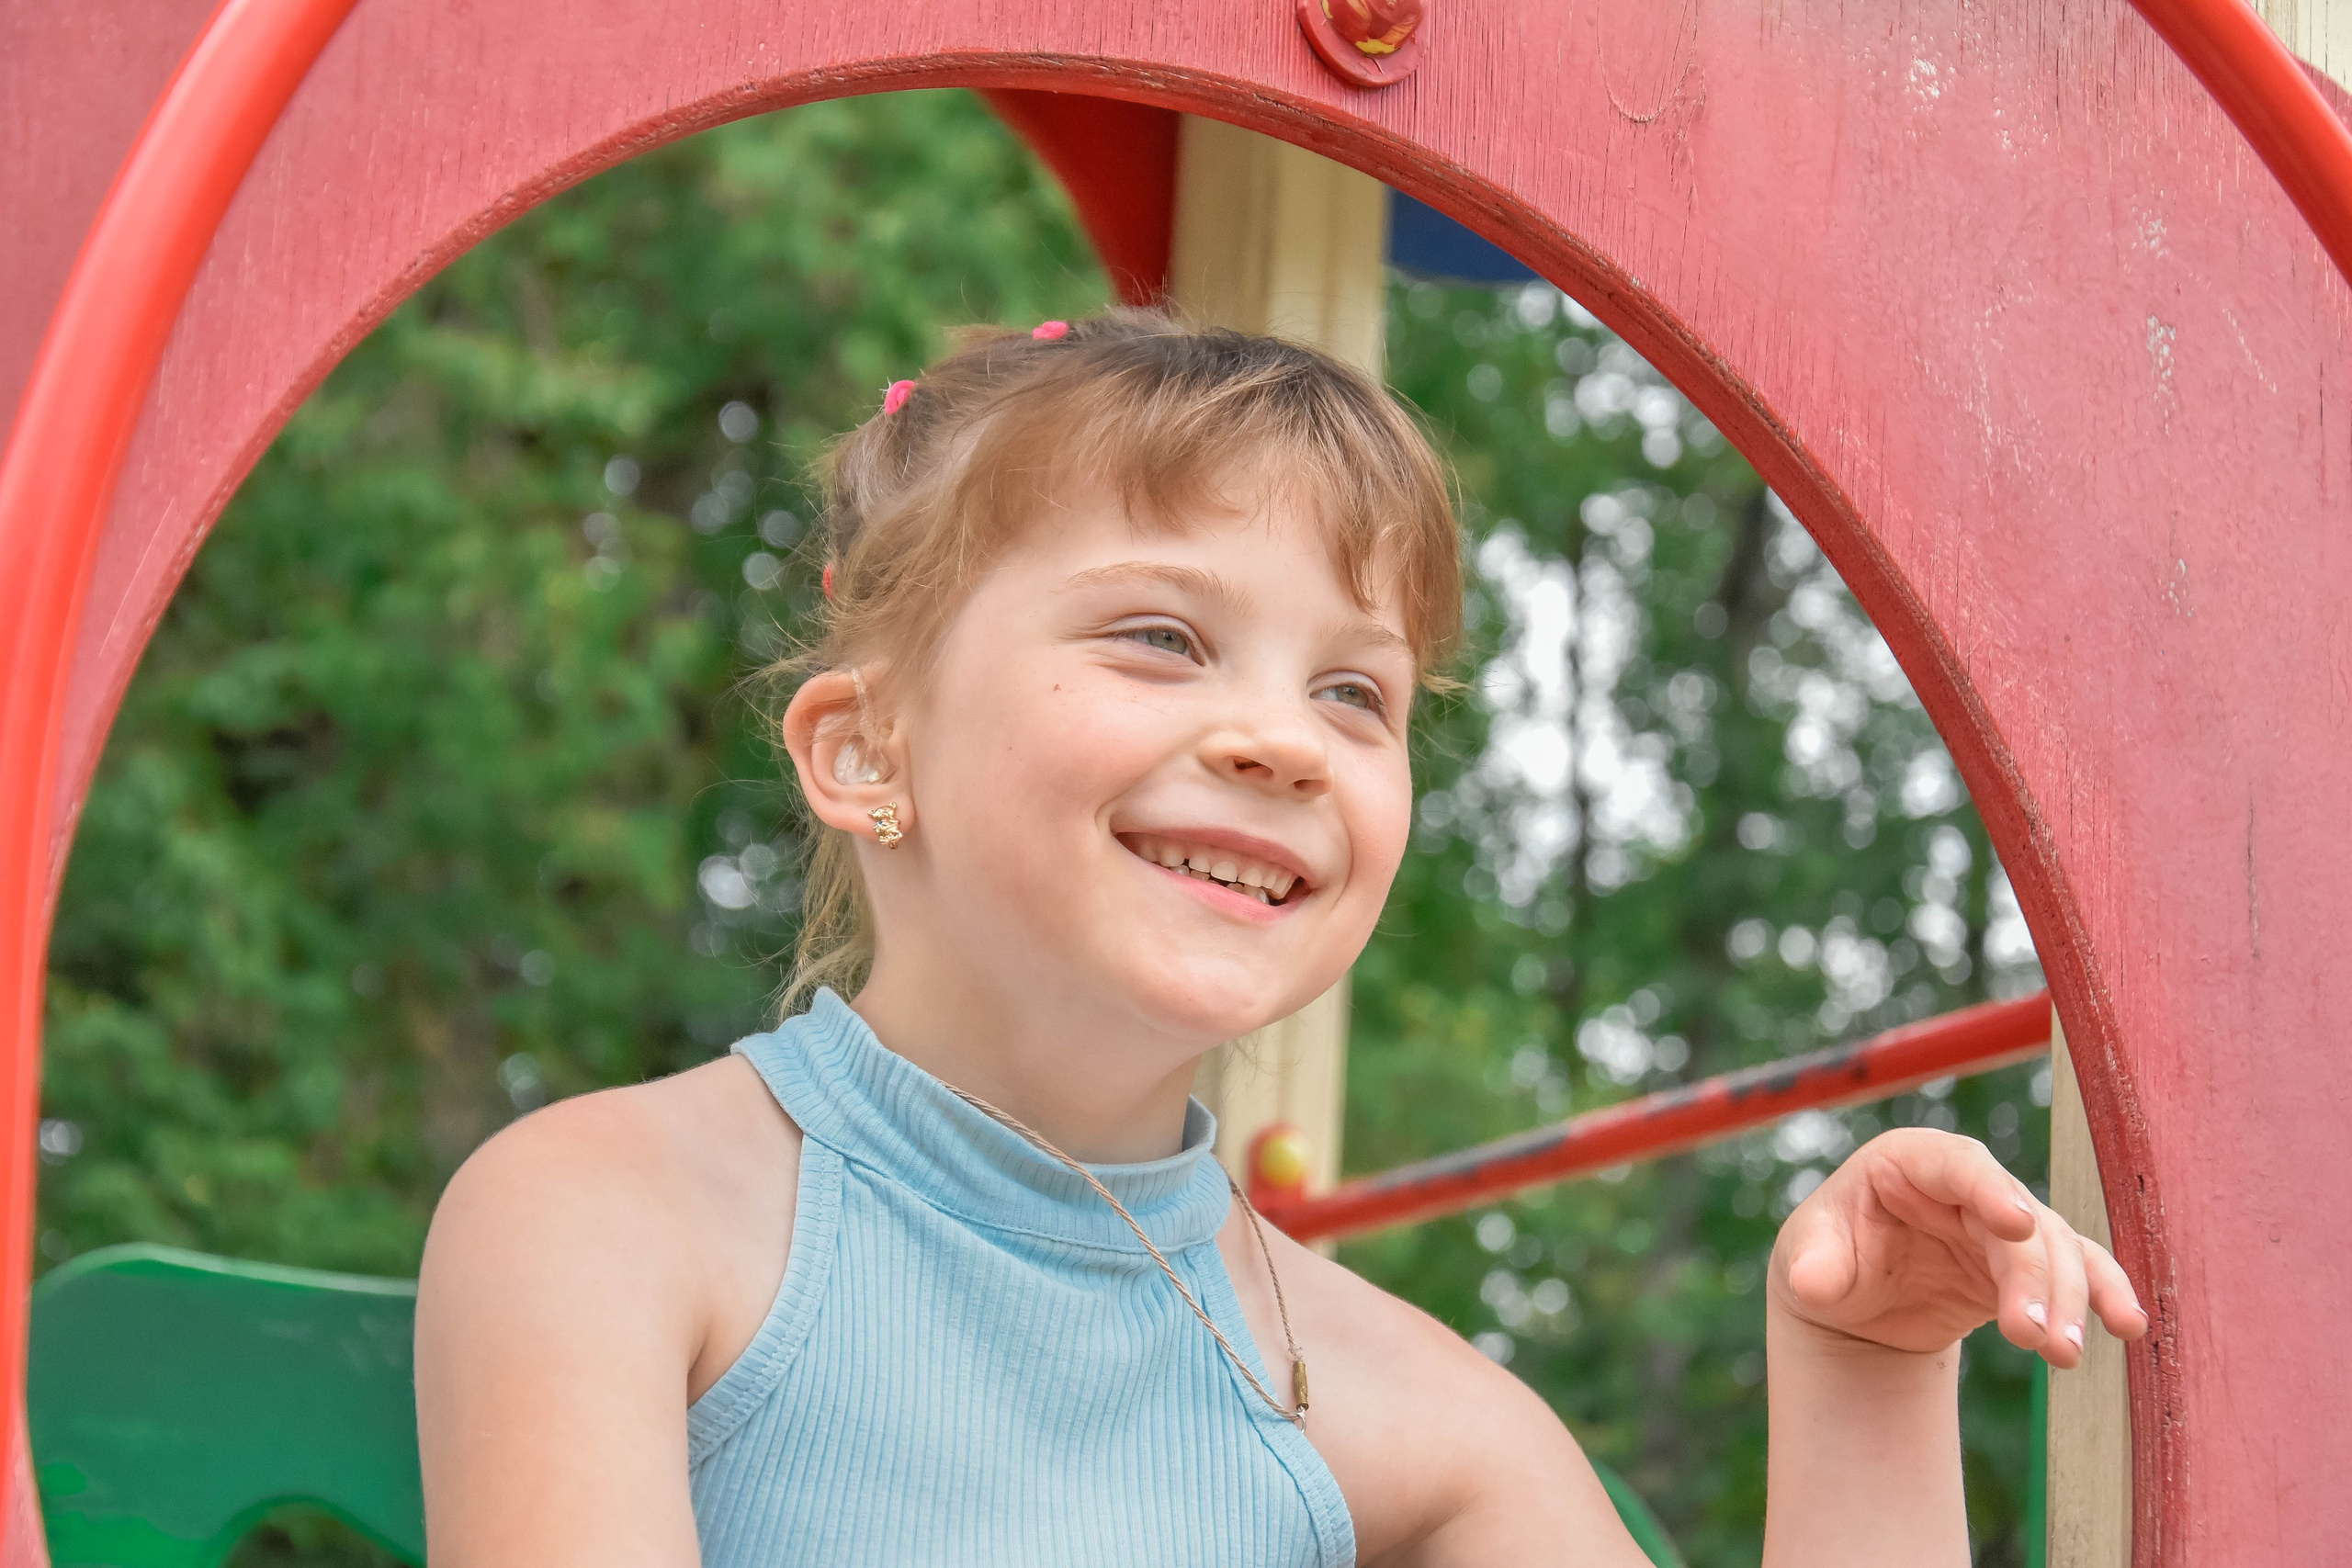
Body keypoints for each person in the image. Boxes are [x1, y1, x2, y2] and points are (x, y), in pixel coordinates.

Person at [414, 309, 2145, 1567]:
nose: (1284, 739)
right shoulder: (608, 1220)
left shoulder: (1405, 1405)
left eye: (1354, 691)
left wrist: (1858, 1376)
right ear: (867, 753)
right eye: (1164, 636)